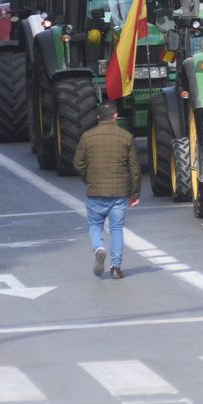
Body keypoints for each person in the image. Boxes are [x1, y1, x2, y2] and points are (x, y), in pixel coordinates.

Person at [73, 101, 140, 279]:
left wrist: (89, 179)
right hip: (119, 193)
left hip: (95, 193)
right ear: (116, 116)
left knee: (95, 225)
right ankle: (116, 267)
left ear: (98, 117)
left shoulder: (87, 137)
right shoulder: (126, 137)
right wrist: (135, 194)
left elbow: (78, 163)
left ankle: (99, 248)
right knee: (117, 229)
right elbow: (134, 168)